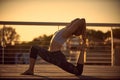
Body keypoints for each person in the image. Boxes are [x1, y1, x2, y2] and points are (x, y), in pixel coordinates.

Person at [22, 18, 86, 76]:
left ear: (75, 27)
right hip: (51, 55)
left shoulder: (67, 32)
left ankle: (82, 51)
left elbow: (82, 21)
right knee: (34, 48)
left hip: (56, 56)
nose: (74, 20)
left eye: (76, 22)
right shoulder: (65, 29)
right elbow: (78, 21)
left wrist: (84, 38)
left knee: (78, 71)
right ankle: (30, 70)